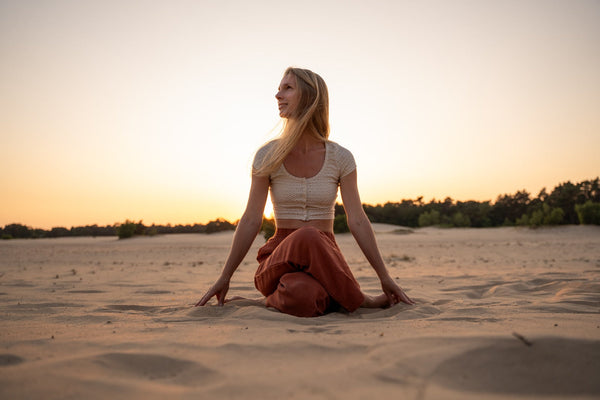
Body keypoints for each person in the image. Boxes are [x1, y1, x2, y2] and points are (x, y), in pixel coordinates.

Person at [196, 67, 414, 317]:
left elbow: (357, 219)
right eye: (279, 88)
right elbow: (250, 219)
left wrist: (384, 276)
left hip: (324, 255)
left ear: (310, 97)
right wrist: (225, 277)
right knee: (308, 235)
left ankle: (267, 303)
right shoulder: (268, 155)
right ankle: (362, 300)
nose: (278, 95)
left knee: (305, 297)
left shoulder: (341, 158)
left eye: (287, 88)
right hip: (278, 257)